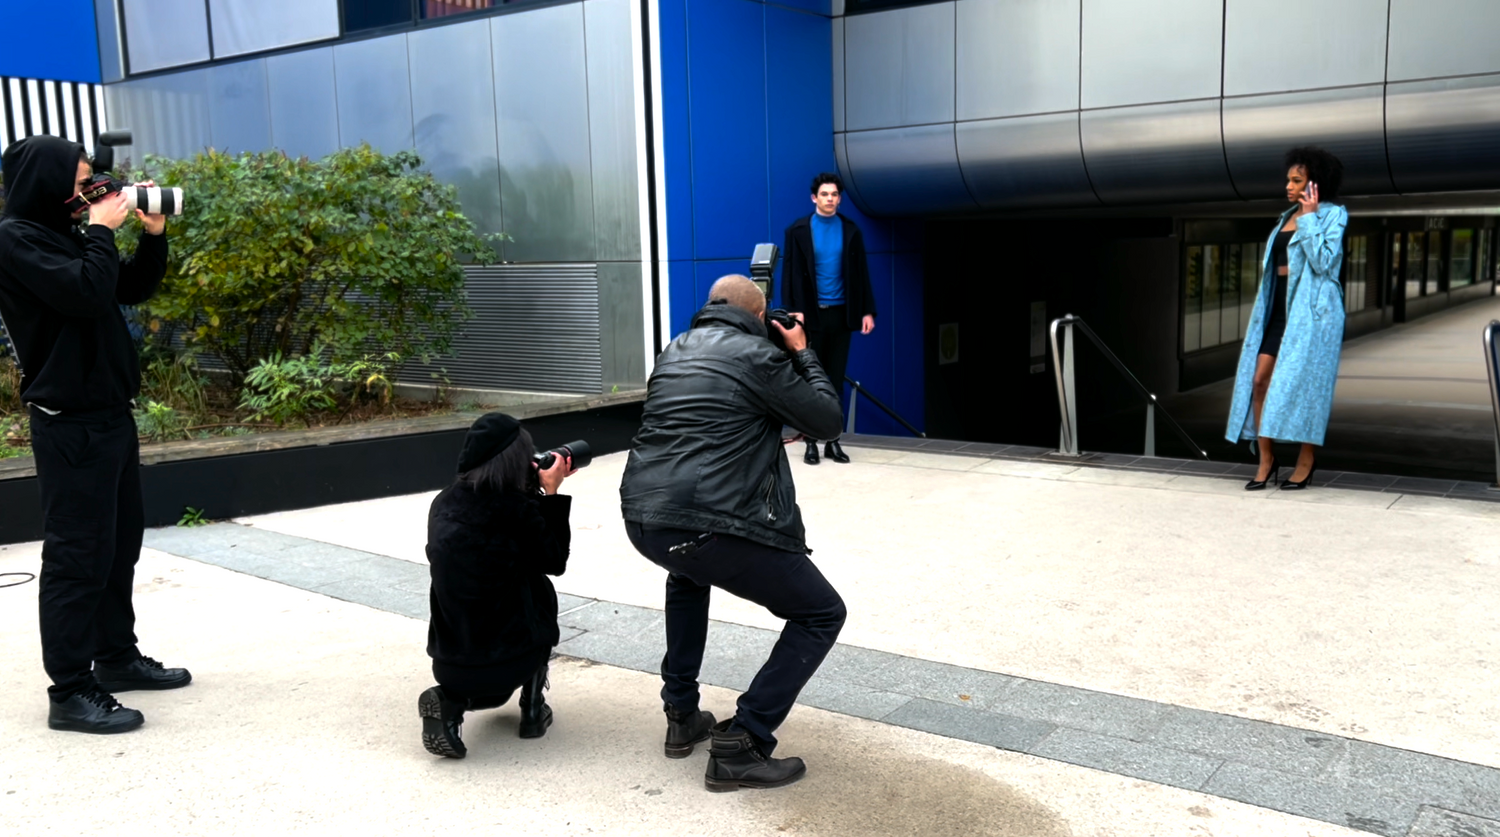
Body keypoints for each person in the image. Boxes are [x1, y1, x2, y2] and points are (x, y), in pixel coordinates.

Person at [620, 275, 846, 792]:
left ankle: (681, 715)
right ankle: (744, 742)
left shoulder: (673, 351)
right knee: (820, 612)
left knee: (687, 575)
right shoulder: (759, 356)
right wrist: (802, 352)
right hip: (708, 523)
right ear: (760, 316)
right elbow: (827, 421)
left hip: (644, 518)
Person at [0, 135, 186, 734]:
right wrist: (103, 229)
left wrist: (152, 237)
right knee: (77, 557)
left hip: (110, 416)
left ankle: (116, 657)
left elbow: (123, 288)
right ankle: (71, 689)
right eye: (80, 181)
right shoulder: (15, 239)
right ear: (49, 182)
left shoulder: (68, 233)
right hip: (69, 423)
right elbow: (83, 295)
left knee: (117, 546)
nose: (91, 191)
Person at [419, 412, 574, 759]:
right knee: (539, 589)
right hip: (512, 661)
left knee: (478, 581)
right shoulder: (517, 510)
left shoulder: (443, 503)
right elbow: (555, 562)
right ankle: (533, 708)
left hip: (448, 663)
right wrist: (550, 492)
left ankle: (452, 704)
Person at [1226, 146, 1348, 490]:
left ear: (1315, 183)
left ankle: (1305, 461)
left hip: (1311, 317)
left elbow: (1325, 264)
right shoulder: (1284, 217)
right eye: (1288, 180)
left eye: (1297, 180)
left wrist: (1309, 217)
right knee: (1259, 381)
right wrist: (1300, 215)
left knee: (1308, 387)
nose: (1289, 186)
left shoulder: (1333, 216)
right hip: (1277, 311)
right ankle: (1267, 459)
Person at [782, 172, 876, 466]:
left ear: (839, 198)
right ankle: (811, 442)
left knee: (834, 380)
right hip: (811, 316)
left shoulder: (850, 230)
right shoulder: (797, 230)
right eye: (824, 194)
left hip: (842, 314)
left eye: (834, 194)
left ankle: (833, 441)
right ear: (814, 198)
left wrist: (867, 310)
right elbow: (790, 273)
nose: (830, 199)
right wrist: (793, 309)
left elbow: (861, 273)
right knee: (812, 381)